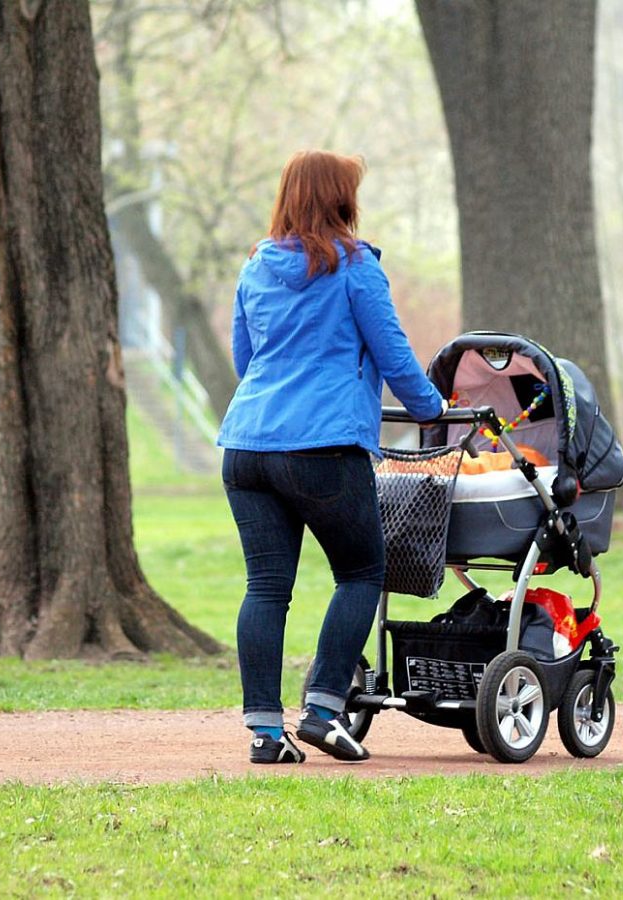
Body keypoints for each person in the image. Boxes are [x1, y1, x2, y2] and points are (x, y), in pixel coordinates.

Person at [217, 150, 446, 764]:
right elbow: (396, 357)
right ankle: (322, 709)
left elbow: (247, 361)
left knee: (266, 587)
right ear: (341, 198)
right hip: (320, 447)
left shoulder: (256, 268)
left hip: (246, 445)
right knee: (363, 573)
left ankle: (265, 734)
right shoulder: (355, 269)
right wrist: (432, 409)